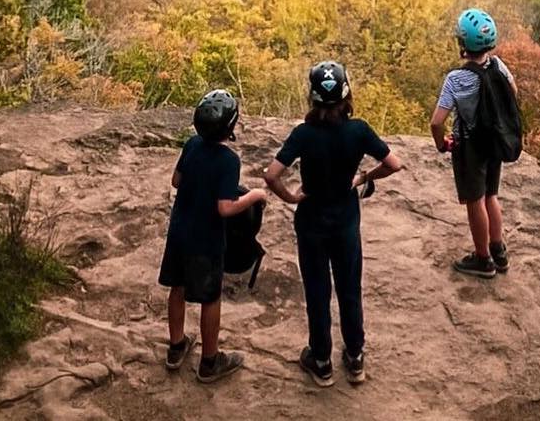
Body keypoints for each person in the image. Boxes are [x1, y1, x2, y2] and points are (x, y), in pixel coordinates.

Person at [264, 61, 403, 388]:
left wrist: (290, 198)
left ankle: (322, 360)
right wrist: (363, 177)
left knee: (317, 290)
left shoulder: (303, 134)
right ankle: (355, 358)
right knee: (349, 288)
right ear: (346, 94)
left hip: (311, 220)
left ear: (313, 97)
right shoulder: (359, 130)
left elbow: (271, 175)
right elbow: (394, 164)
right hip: (345, 221)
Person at [159, 88, 267, 384]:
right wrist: (255, 194)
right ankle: (209, 362)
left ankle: (176, 346)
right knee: (211, 297)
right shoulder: (228, 161)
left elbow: (176, 180)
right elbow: (225, 207)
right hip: (206, 241)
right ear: (230, 126)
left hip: (179, 232)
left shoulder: (192, 145)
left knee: (177, 288)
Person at [430, 9, 517, 279]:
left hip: (470, 147)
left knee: (474, 200)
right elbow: (512, 92)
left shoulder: (456, 79)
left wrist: (441, 143)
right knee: (491, 195)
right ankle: (498, 251)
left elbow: (437, 121)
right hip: (495, 142)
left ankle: (483, 260)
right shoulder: (498, 65)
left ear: (462, 43)